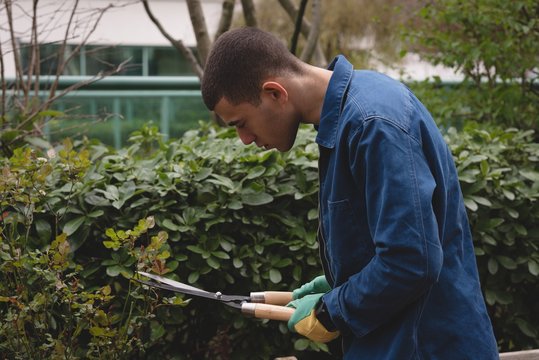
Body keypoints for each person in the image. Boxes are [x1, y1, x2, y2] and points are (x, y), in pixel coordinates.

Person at [201, 27, 499, 359]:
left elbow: (412, 261)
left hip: (424, 347)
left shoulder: (372, 124)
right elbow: (386, 244)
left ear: (274, 92)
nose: (244, 139)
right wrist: (336, 282)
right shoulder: (350, 113)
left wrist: (332, 311)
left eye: (241, 123)